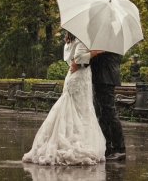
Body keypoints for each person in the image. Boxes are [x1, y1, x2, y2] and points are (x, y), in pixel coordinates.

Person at [22, 32, 106, 165]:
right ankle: (75, 141)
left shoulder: (69, 41)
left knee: (73, 108)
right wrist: (95, 52)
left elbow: (70, 59)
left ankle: (68, 137)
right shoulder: (81, 38)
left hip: (73, 76)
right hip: (80, 77)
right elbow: (78, 58)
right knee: (80, 110)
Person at [71, 51, 126, 161]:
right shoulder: (103, 39)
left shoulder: (106, 40)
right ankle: (107, 146)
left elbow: (97, 57)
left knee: (109, 112)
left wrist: (80, 63)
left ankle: (119, 148)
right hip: (101, 77)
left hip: (106, 77)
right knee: (101, 113)